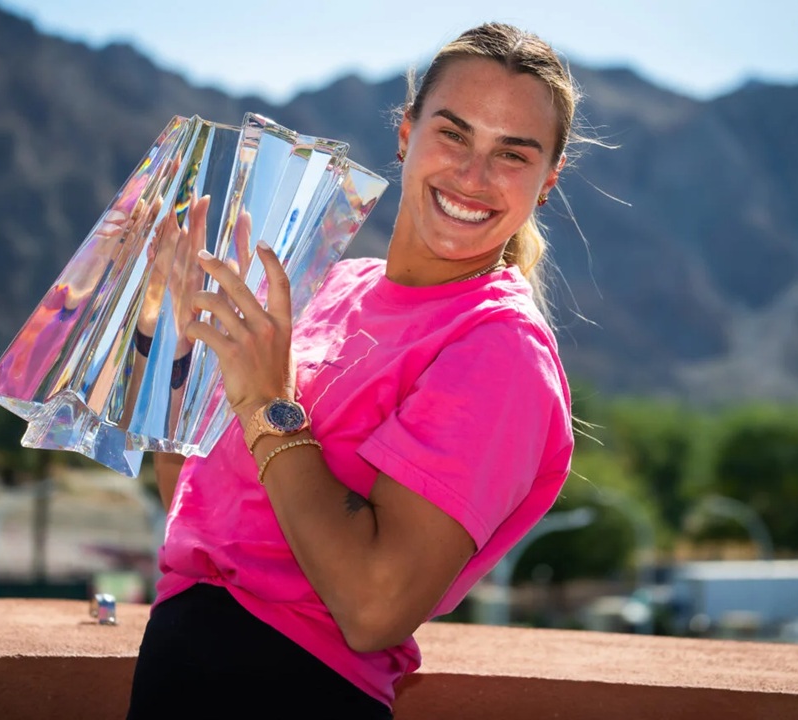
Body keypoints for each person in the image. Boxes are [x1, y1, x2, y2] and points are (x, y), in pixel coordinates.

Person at [125, 22, 578, 719]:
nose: (473, 175)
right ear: (405, 135)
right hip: (175, 671)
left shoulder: (498, 349)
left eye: (511, 155)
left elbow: (374, 607)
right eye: (453, 134)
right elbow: (190, 504)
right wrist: (165, 339)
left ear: (547, 182)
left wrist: (269, 406)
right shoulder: (328, 288)